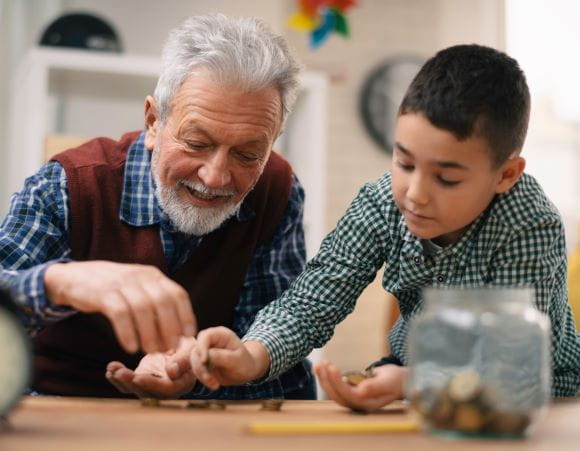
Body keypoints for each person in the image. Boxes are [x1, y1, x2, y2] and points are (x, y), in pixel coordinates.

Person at [181, 44, 580, 409]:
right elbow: (313, 300)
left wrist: (415, 381)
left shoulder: (531, 221)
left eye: (447, 178)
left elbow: (515, 364)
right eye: (405, 163)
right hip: (418, 379)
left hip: (541, 398)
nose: (415, 194)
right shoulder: (381, 200)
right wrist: (252, 354)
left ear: (506, 174)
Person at [0, 14, 316, 400]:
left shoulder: (277, 191)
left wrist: (199, 376)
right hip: (56, 413)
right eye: (197, 143)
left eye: (248, 154)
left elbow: (279, 365)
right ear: (153, 122)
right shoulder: (68, 184)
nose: (215, 177)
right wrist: (63, 282)